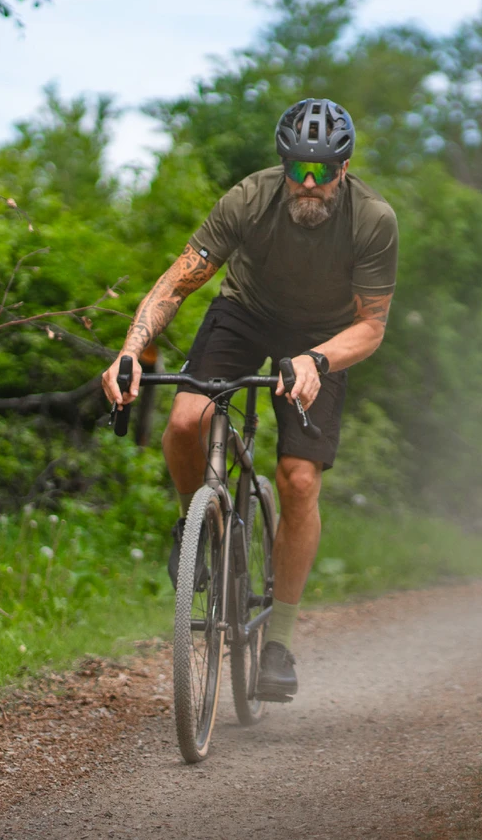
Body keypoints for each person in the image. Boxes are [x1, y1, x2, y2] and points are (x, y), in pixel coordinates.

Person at [101, 98, 398, 702]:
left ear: (344, 169)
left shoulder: (372, 219)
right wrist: (129, 351)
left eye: (322, 171)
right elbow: (176, 282)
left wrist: (316, 360)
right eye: (297, 170)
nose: (308, 184)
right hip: (245, 314)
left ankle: (279, 644)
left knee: (299, 479)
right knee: (185, 422)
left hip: (324, 337)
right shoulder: (248, 199)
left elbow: (371, 326)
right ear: (282, 166)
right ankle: (195, 527)